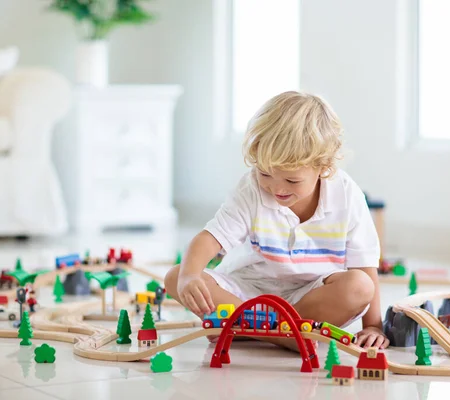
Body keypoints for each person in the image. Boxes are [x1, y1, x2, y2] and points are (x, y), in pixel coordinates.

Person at [165, 91, 389, 349]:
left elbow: (365, 264)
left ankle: (252, 329)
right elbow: (210, 238)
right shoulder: (251, 190)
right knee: (175, 276)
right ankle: (285, 336)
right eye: (264, 174)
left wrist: (373, 326)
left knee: (360, 287)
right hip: (249, 292)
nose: (276, 188)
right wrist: (190, 276)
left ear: (323, 167)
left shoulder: (347, 195)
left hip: (310, 296)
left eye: (292, 180)